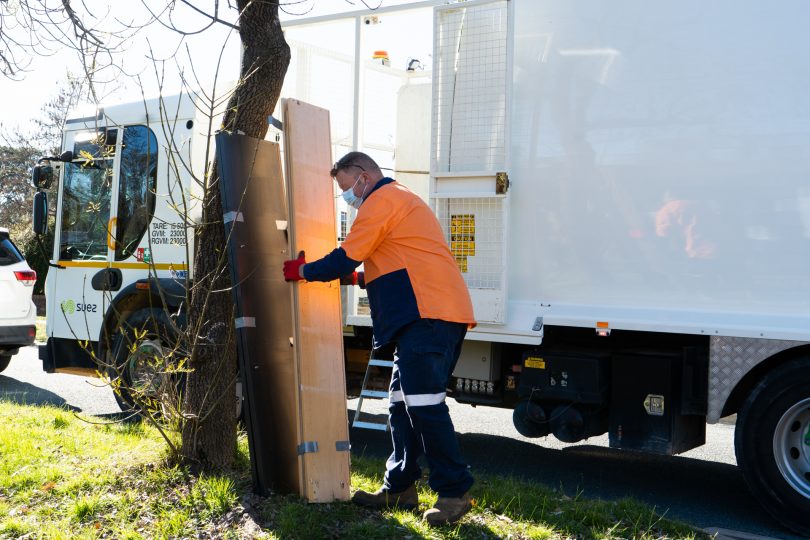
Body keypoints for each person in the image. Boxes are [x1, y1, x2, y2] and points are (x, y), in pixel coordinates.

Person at [282, 151, 476, 525]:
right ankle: (400, 487)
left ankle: (454, 493)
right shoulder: (400, 200)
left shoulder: (381, 200)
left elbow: (346, 258)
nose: (347, 198)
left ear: (365, 176)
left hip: (428, 317)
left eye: (346, 188)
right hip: (429, 317)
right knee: (401, 406)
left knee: (424, 406)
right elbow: (379, 268)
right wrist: (339, 276)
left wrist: (303, 270)